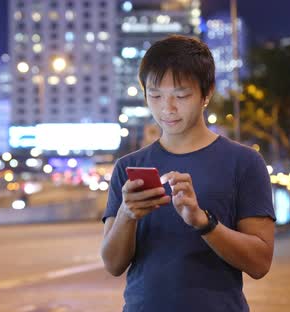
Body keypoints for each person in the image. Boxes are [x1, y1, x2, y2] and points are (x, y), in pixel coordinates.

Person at [100, 35, 276, 311]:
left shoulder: (244, 162)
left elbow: (260, 262)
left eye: (181, 95)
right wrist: (127, 214)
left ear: (207, 93)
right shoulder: (128, 168)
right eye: (155, 95)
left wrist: (203, 222)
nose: (166, 108)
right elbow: (113, 265)